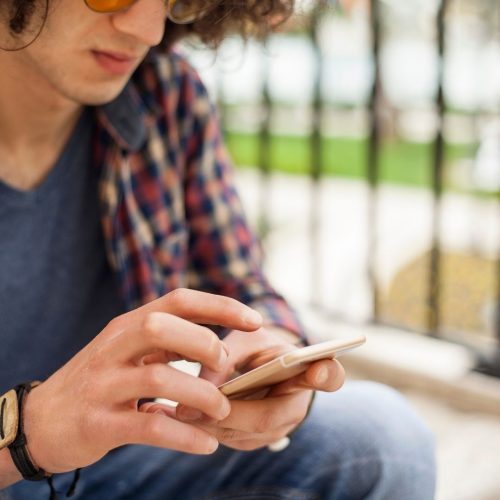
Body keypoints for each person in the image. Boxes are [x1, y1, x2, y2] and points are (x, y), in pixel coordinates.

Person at [0, 0, 436, 498]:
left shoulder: (163, 93)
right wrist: (29, 431)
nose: (148, 28)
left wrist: (267, 354)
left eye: (174, 1)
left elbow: (243, 288)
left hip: (114, 468)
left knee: (382, 439)